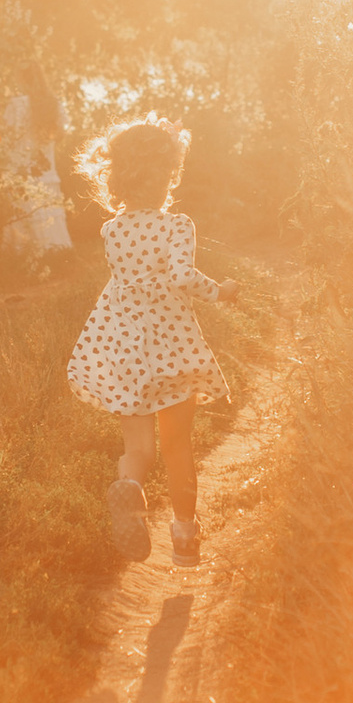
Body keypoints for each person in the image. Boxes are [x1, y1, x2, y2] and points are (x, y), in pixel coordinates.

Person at [65, 116, 229, 563]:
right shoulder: (177, 225)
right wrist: (221, 291)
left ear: (117, 178)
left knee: (138, 449)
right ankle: (184, 537)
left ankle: (130, 488)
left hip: (121, 344)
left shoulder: (112, 230)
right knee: (178, 448)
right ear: (169, 173)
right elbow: (178, 276)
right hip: (170, 347)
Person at [2, 67, 73, 264]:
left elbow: (6, 135)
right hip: (46, 169)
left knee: (23, 211)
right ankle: (57, 254)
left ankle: (24, 258)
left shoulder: (16, 105)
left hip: (21, 168)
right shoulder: (53, 104)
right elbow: (60, 135)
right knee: (49, 211)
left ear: (22, 80)